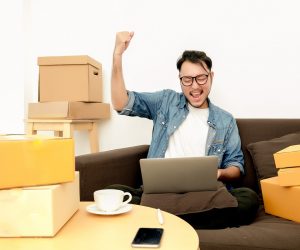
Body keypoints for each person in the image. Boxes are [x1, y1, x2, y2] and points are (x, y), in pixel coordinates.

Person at [110, 31, 259, 229]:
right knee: (113, 192)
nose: (195, 86)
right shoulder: (165, 101)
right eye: (187, 80)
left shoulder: (225, 120)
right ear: (180, 80)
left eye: (201, 78)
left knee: (249, 198)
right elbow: (121, 103)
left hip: (205, 194)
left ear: (211, 76)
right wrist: (117, 56)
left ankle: (158, 219)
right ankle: (190, 219)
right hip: (161, 192)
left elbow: (236, 167)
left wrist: (218, 173)